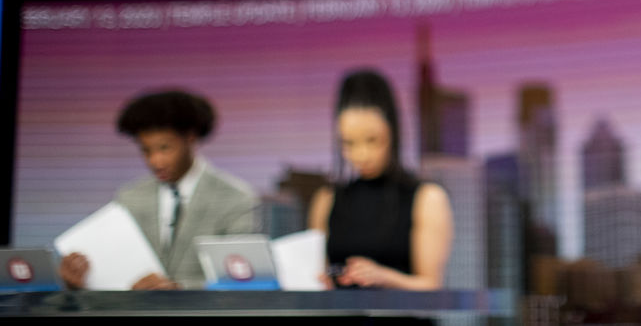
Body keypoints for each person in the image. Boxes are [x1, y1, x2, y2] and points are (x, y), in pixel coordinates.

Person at [59, 89, 259, 290]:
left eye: (165, 148)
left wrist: (177, 289)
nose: (155, 161)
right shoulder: (129, 197)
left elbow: (242, 281)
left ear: (190, 138)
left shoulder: (235, 198)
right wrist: (79, 280)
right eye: (146, 150)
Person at [308, 69, 453, 290]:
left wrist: (385, 277)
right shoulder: (326, 200)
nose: (361, 155)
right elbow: (318, 279)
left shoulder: (426, 198)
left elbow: (431, 286)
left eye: (372, 140)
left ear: (392, 132)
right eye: (349, 143)